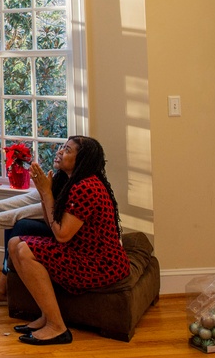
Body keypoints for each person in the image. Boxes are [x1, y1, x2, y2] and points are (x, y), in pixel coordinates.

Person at [8, 136, 130, 346]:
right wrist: (45, 192)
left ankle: (58, 327)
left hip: (97, 262)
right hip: (78, 250)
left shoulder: (87, 188)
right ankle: (46, 316)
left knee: (25, 251)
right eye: (63, 147)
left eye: (68, 150)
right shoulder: (71, 181)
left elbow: (62, 234)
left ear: (81, 159)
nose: (60, 152)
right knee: (14, 243)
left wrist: (46, 193)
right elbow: (52, 223)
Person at [0, 166, 58, 307]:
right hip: (53, 228)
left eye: (67, 149)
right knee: (12, 224)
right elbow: (29, 199)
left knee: (22, 225)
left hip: (66, 237)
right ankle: (5, 282)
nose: (60, 152)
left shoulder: (76, 186)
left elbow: (38, 209)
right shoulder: (60, 177)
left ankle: (2, 289)